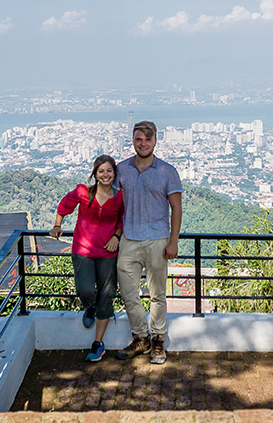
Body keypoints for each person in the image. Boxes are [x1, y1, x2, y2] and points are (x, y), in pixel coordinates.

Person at [114, 120, 182, 364]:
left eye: (147, 139)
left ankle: (158, 340)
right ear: (133, 141)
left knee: (158, 294)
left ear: (155, 141)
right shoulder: (121, 169)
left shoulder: (167, 171)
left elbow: (176, 208)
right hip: (129, 240)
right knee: (129, 293)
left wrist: (173, 242)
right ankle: (140, 337)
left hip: (157, 240)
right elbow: (110, 202)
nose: (143, 144)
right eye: (138, 139)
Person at [48, 154, 124, 362]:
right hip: (83, 249)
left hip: (109, 251)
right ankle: (90, 306)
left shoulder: (120, 197)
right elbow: (64, 205)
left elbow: (122, 221)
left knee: (107, 293)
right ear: (95, 174)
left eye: (109, 170)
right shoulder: (83, 192)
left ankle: (97, 343)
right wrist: (57, 225)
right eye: (101, 171)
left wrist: (117, 237)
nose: (105, 174)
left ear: (114, 173)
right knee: (85, 289)